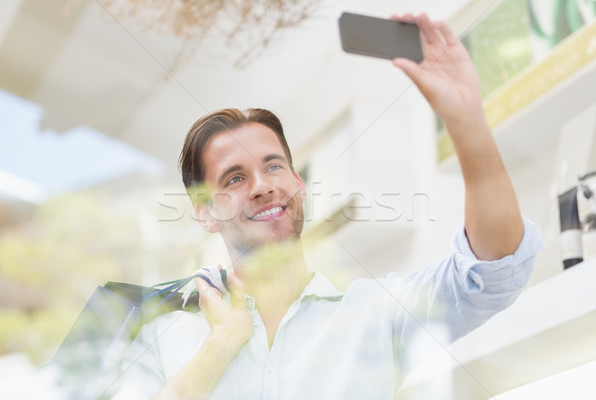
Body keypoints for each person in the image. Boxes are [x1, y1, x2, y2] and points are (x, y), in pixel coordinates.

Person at [111, 13, 542, 399]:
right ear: (204, 212)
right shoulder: (163, 338)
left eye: (274, 166)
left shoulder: (376, 315)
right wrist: (221, 345)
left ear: (298, 185)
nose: (263, 186)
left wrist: (466, 121)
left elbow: (493, 271)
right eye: (236, 177)